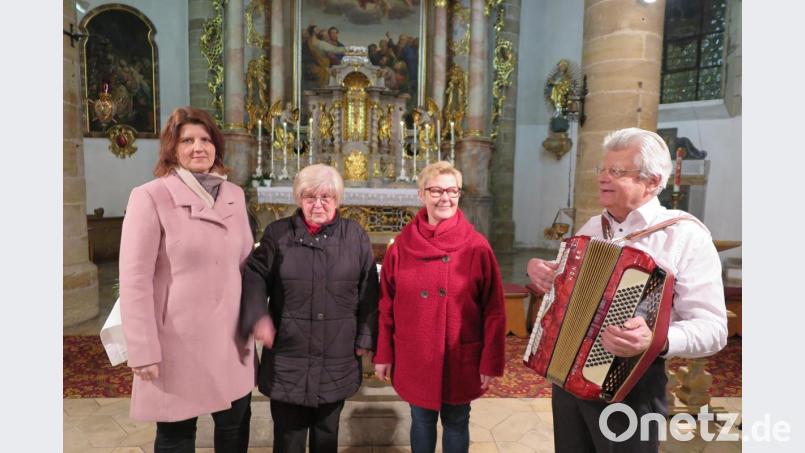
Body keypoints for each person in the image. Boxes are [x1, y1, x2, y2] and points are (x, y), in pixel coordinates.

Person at [526, 127, 727, 452]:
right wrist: (547, 273)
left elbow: (715, 329)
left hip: (632, 389)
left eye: (617, 171)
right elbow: (570, 291)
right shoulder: (593, 228)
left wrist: (655, 340)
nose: (604, 177)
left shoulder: (684, 236)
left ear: (652, 180)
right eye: (602, 169)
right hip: (568, 380)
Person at [119, 106, 255, 453]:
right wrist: (143, 349)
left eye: (206, 139)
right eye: (188, 140)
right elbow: (135, 281)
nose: (199, 147)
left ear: (216, 147)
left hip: (231, 338)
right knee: (176, 436)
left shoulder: (234, 196)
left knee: (234, 427)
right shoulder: (150, 196)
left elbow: (246, 265)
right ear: (172, 148)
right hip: (176, 341)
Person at [239, 164, 379, 453]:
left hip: (337, 355)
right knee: (288, 439)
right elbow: (254, 274)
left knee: (326, 437)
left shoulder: (355, 237)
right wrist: (258, 316)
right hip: (290, 353)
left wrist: (365, 336)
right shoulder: (278, 234)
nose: (318, 204)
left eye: (326, 197)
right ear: (298, 199)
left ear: (337, 200)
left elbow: (369, 290)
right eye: (309, 197)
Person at [374, 161, 507, 453]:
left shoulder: (477, 246)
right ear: (421, 194)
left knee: (457, 420)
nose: (445, 198)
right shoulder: (401, 247)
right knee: (420, 419)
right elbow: (387, 305)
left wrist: (490, 360)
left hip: (459, 353)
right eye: (436, 190)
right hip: (415, 353)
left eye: (452, 191)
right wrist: (383, 352)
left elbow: (494, 309)